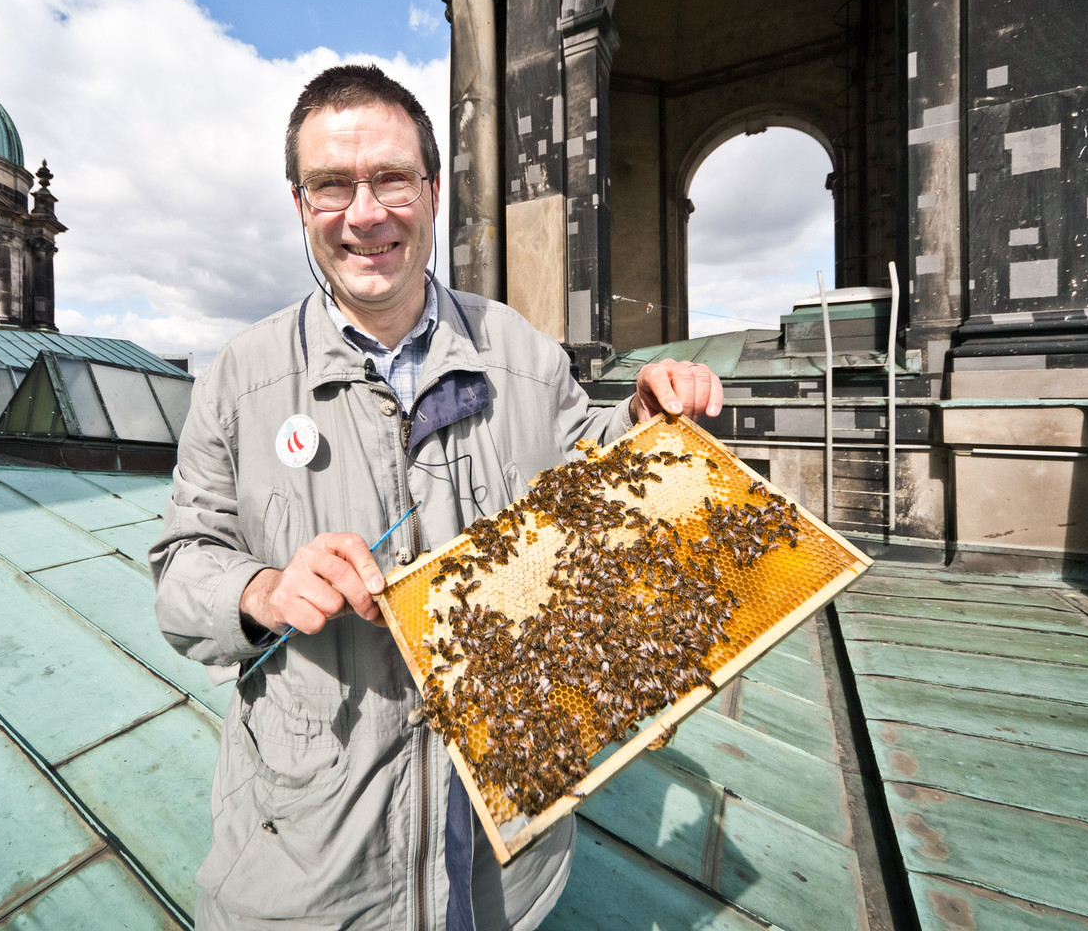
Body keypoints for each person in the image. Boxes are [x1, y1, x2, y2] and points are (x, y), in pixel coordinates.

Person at [151, 64, 723, 930]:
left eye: (389, 178)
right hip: (315, 853)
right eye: (332, 185)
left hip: (505, 841)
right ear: (300, 203)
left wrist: (646, 422)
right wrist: (260, 592)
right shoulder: (237, 378)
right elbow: (181, 568)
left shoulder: (524, 354)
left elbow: (592, 473)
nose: (365, 211)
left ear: (433, 189)